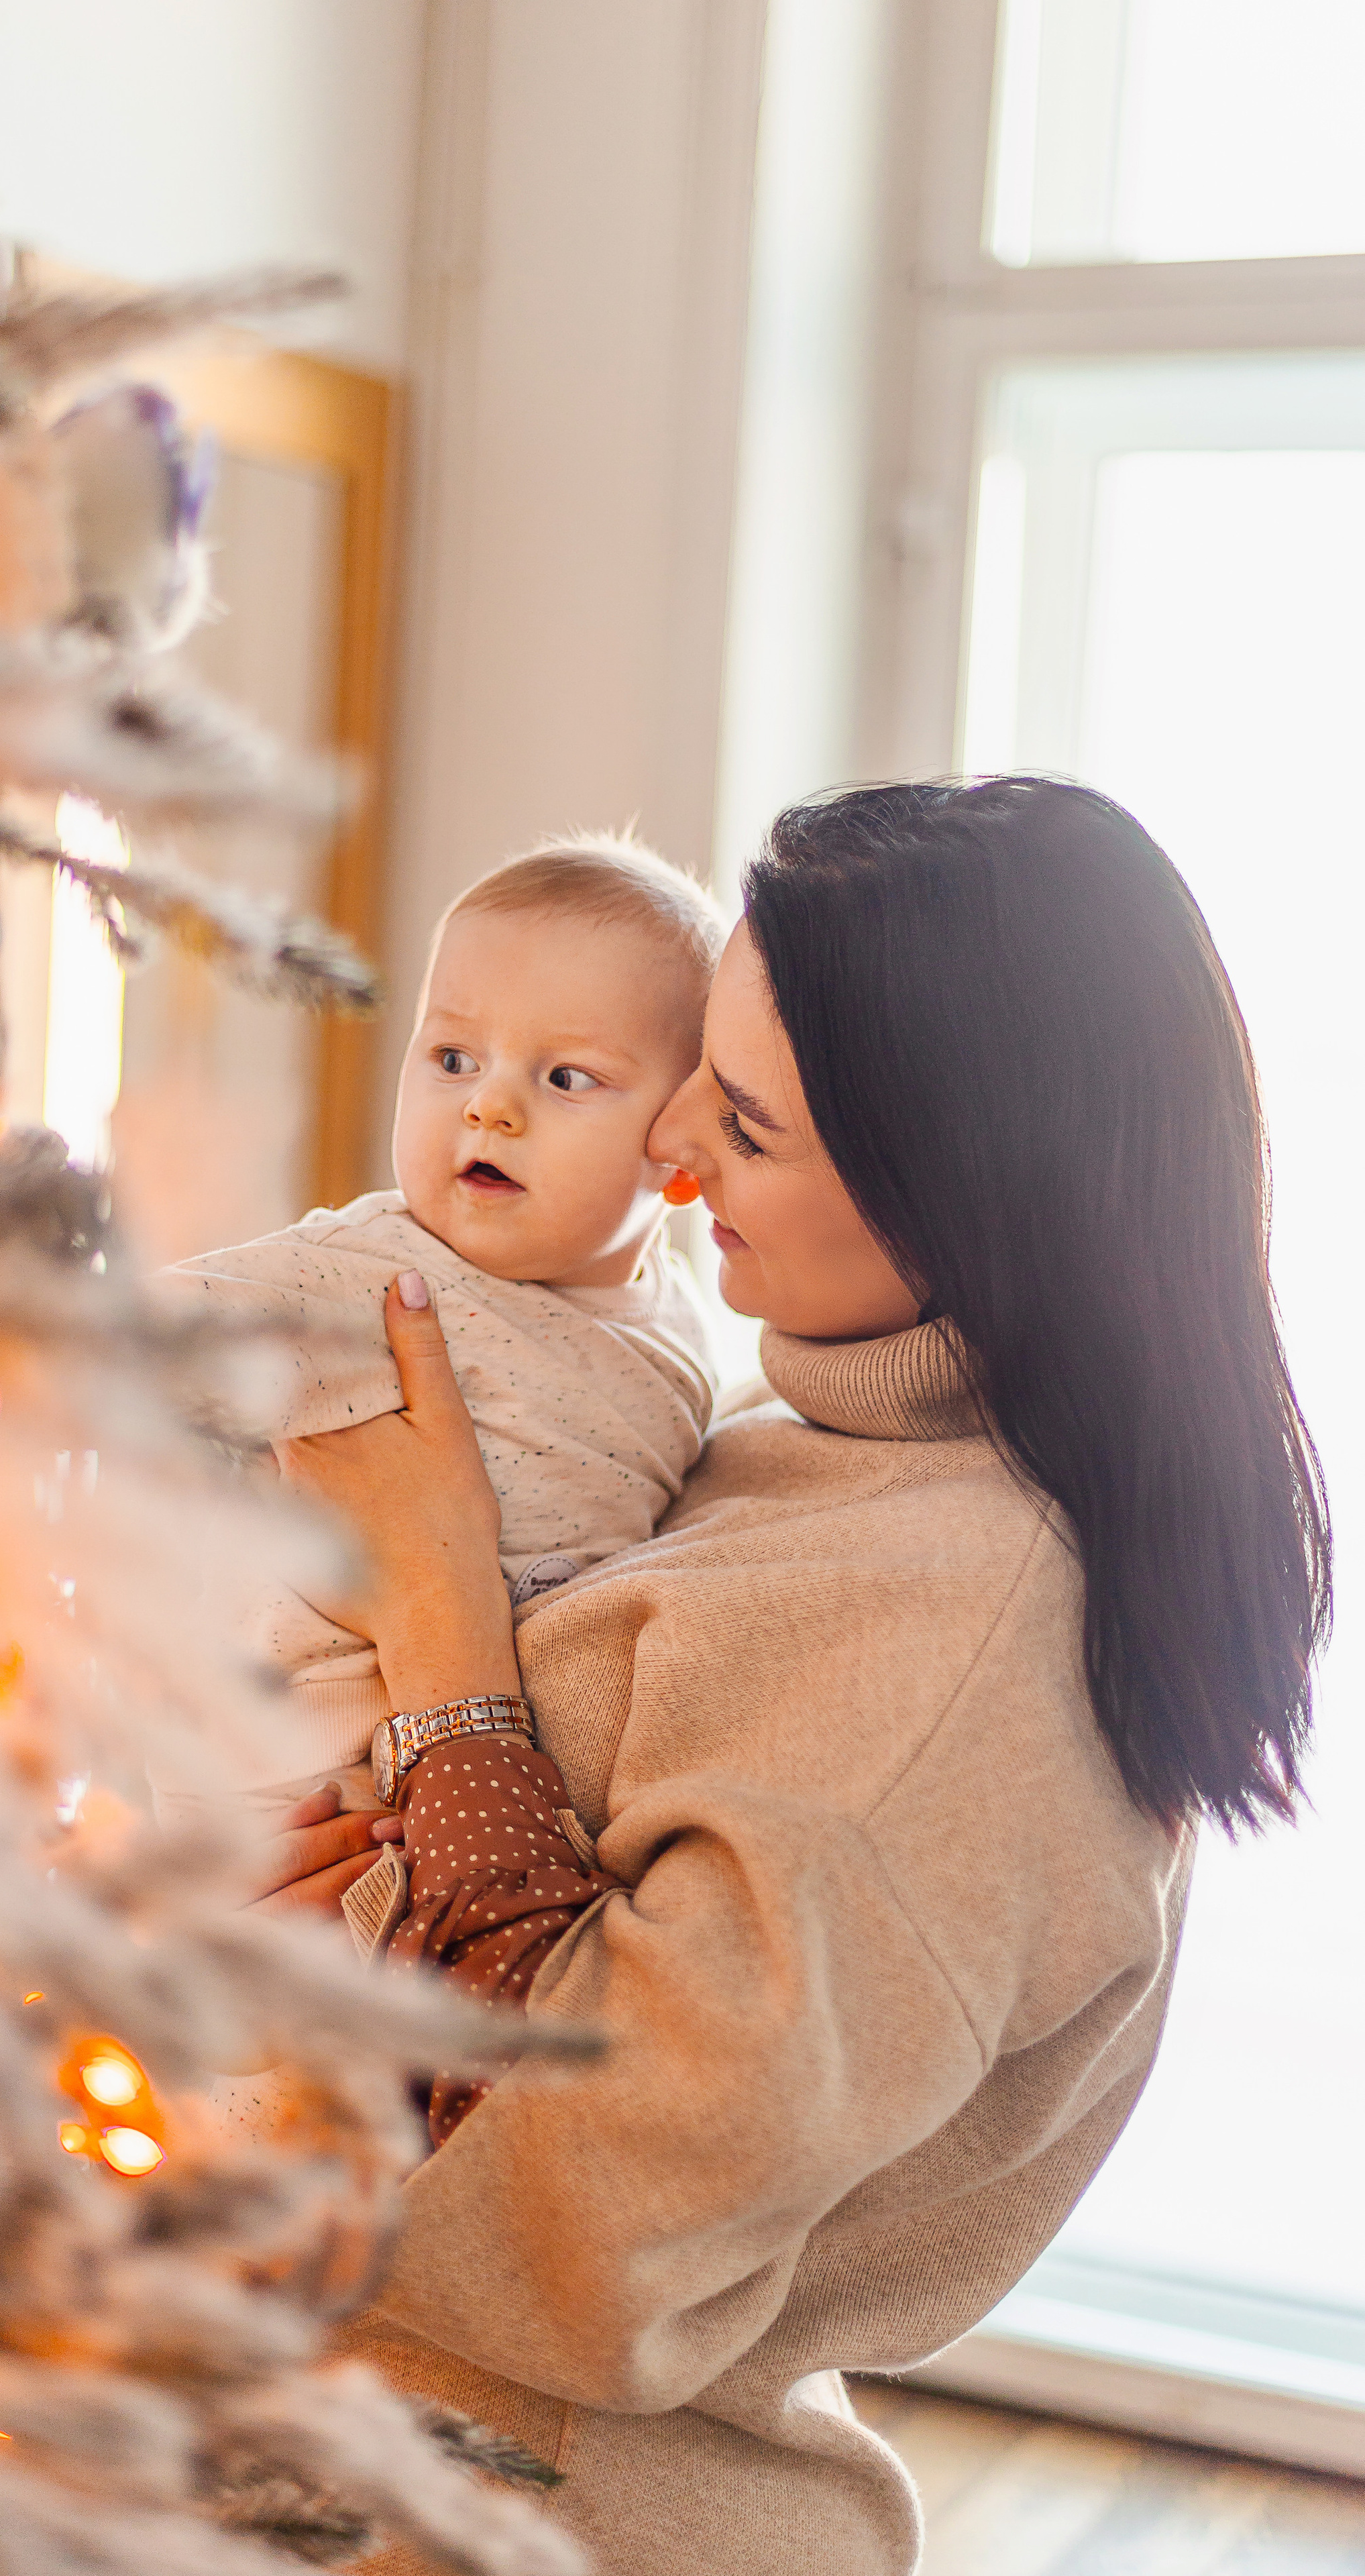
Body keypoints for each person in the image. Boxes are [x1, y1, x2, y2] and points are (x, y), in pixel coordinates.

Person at [249, 779, 1331, 2576]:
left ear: (958, 1188)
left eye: (743, 1122)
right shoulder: (792, 1437)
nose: (667, 1146)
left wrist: (440, 1611)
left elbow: (595, 2226)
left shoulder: (964, 1644)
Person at [165, 835, 722, 1810]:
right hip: (288, 1750)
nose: (490, 1107)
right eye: (454, 1058)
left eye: (566, 1078)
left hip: (497, 1765)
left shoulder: (677, 1325)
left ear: (678, 1150)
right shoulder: (378, 1273)